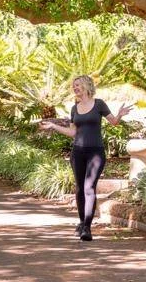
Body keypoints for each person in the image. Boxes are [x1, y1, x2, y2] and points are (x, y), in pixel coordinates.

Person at [39, 75, 133, 240]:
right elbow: (73, 132)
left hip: (96, 152)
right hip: (78, 152)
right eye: (73, 86)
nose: (75, 88)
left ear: (86, 85)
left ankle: (87, 228)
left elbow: (114, 122)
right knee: (80, 188)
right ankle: (82, 222)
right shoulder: (74, 108)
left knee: (89, 188)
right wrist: (54, 126)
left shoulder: (99, 104)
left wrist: (120, 114)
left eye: (77, 85)